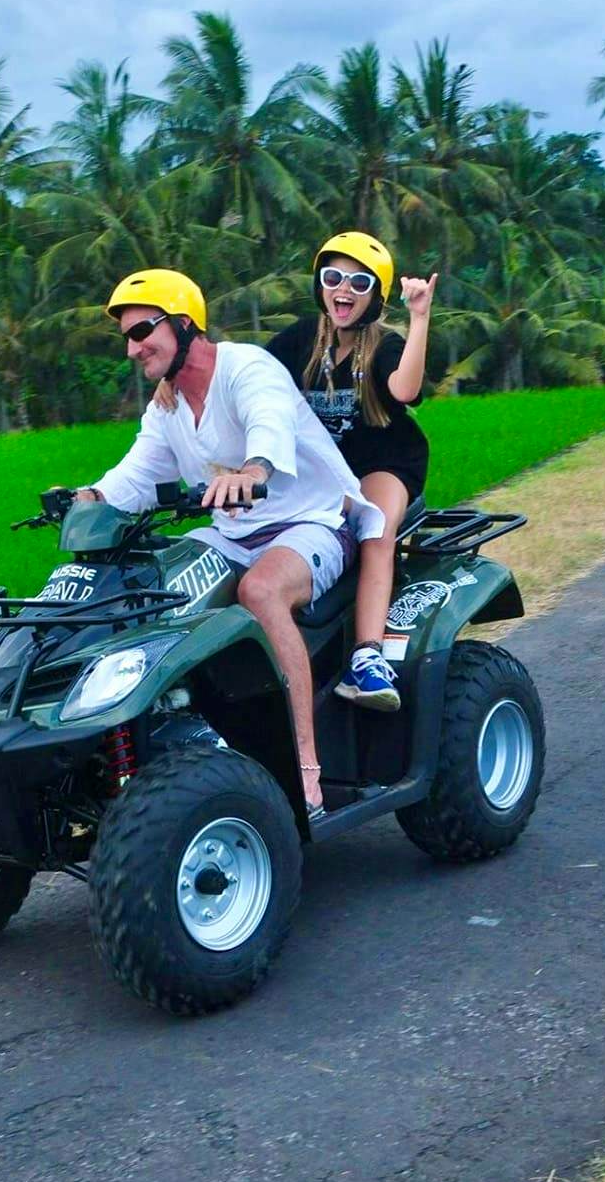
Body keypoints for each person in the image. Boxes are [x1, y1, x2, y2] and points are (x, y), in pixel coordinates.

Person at [80, 268, 384, 815]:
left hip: (313, 521)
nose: (132, 349)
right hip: (234, 534)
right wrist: (90, 497)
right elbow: (138, 474)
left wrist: (253, 469)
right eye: (126, 336)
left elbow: (268, 424)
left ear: (184, 324)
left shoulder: (247, 367)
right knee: (154, 588)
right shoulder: (167, 405)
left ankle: (306, 772)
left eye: (142, 331)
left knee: (261, 593)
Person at [262, 232, 435, 710]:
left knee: (372, 529)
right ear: (320, 283)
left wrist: (419, 317)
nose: (344, 290)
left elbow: (404, 390)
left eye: (359, 282)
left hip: (383, 463)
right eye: (333, 277)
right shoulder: (300, 340)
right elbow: (250, 374)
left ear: (376, 296)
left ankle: (367, 657)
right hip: (323, 471)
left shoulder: (383, 346)